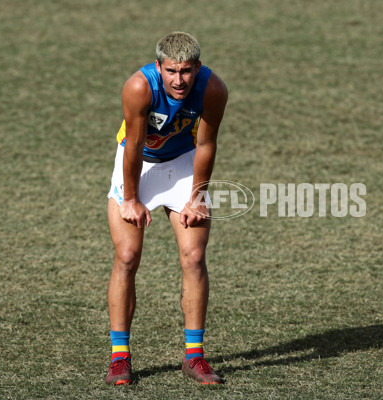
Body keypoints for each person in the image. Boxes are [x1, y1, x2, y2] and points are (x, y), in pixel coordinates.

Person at [104, 32, 228, 386]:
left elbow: (206, 143)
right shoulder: (139, 87)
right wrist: (130, 198)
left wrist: (198, 196)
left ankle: (194, 357)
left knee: (193, 256)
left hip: (183, 163)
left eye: (187, 71)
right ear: (159, 67)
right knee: (127, 256)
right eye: (171, 71)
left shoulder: (213, 89)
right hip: (138, 164)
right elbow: (134, 143)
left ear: (197, 68)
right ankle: (120, 357)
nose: (179, 80)